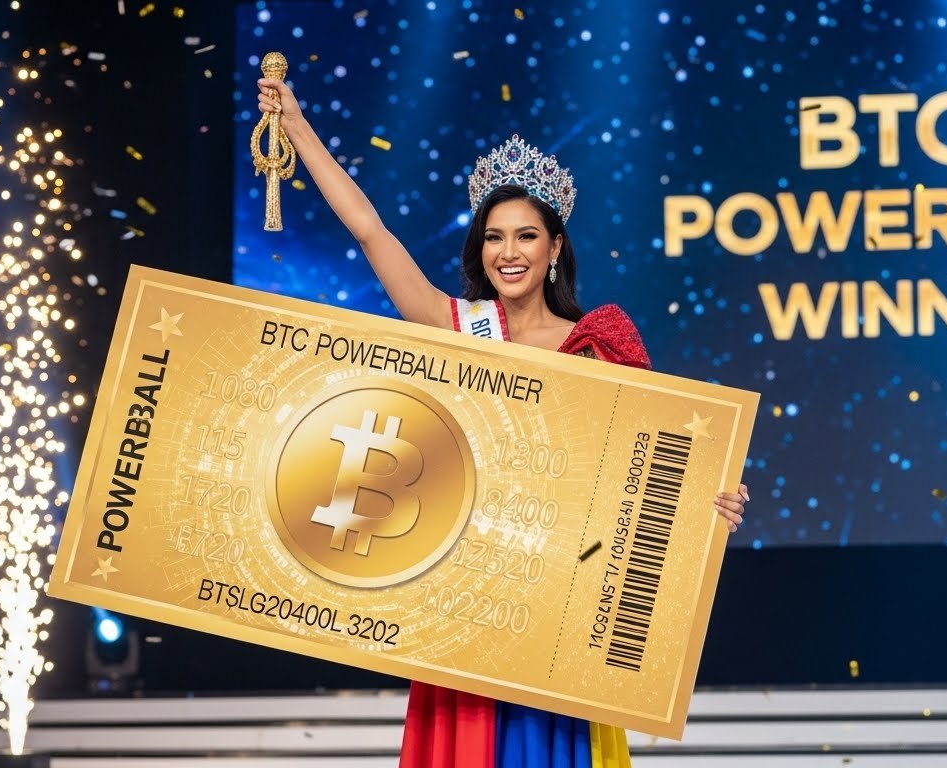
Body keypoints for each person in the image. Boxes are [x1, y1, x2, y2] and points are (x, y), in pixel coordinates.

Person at [257, 77, 750, 768]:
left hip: (561, 598)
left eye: (525, 236)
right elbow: (371, 231)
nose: (508, 252)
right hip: (472, 593)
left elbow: (649, 466)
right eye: (493, 237)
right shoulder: (459, 326)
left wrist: (709, 502)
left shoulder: (596, 342)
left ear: (555, 248)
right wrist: (297, 126)